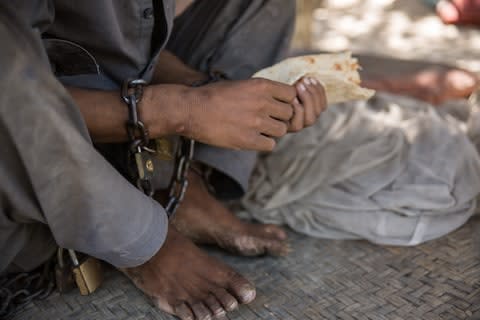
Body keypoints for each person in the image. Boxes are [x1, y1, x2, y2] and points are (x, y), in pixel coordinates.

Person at [3, 1, 327, 319]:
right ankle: (142, 240)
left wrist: (210, 91)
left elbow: (123, 40)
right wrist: (182, 110)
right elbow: (15, 96)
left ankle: (184, 186)